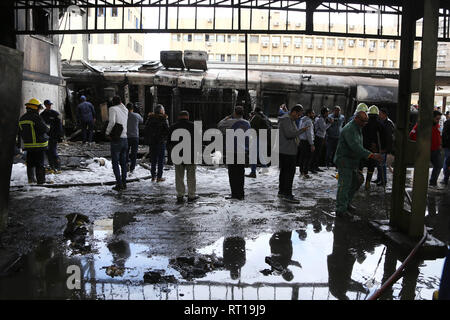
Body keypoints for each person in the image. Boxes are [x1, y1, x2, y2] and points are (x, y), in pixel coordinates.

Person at [334, 111, 382, 217]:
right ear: (356, 118)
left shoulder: (358, 128)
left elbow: (359, 145)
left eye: (366, 121)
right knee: (344, 185)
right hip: (344, 161)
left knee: (357, 181)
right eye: (363, 121)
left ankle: (346, 203)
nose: (365, 123)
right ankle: (341, 209)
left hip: (353, 161)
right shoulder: (350, 129)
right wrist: (371, 155)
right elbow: (355, 146)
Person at [217, 106, 250, 200]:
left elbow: (219, 125)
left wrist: (227, 117)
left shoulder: (230, 122)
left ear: (235, 113)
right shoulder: (247, 123)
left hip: (232, 150)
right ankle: (241, 194)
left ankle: (234, 194)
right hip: (243, 150)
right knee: (240, 173)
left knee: (232, 173)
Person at [277, 104, 309, 203]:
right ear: (294, 112)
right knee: (289, 173)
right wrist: (301, 131)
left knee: (284, 172)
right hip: (287, 151)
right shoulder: (286, 120)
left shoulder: (290, 120)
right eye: (298, 115)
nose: (298, 117)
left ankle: (282, 192)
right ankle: (287, 195)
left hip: (287, 150)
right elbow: (289, 134)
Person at [168, 110, 199, 203]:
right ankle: (191, 195)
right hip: (190, 154)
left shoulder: (173, 127)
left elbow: (169, 142)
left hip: (178, 154)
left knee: (179, 176)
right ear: (188, 116)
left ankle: (180, 195)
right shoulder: (194, 126)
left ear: (179, 117)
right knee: (191, 176)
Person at [18, 98, 49, 184]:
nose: (39, 110)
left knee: (30, 163)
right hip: (39, 145)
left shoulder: (22, 118)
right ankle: (41, 181)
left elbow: (20, 132)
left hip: (28, 146)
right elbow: (44, 129)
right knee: (40, 164)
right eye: (39, 108)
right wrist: (48, 127)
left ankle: (31, 180)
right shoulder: (36, 117)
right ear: (35, 107)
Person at [409, 110, 443, 188]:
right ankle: (420, 183)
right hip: (426, 150)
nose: (438, 121)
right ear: (432, 118)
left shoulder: (437, 125)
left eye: (439, 119)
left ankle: (432, 183)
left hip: (436, 150)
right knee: (423, 167)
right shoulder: (422, 125)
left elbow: (439, 135)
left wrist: (440, 144)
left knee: (438, 166)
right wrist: (420, 144)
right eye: (437, 119)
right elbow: (412, 135)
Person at [360, 105, 387, 190]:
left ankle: (358, 180)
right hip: (374, 150)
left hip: (363, 148)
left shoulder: (364, 123)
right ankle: (367, 182)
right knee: (371, 166)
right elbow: (383, 138)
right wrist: (381, 148)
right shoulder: (380, 124)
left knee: (360, 165)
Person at [105, 96, 129, 191]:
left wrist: (107, 132)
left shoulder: (112, 109)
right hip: (125, 139)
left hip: (116, 139)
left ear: (113, 103)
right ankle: (124, 182)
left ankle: (119, 184)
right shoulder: (125, 110)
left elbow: (112, 122)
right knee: (123, 162)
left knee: (115, 162)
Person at [144, 104, 169, 182]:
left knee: (153, 160)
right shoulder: (164, 119)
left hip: (152, 142)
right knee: (161, 160)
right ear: (161, 111)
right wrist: (164, 138)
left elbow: (146, 129)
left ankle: (153, 176)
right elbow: (167, 130)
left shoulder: (150, 119)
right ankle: (159, 177)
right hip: (160, 142)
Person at [246, 107, 272, 178]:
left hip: (257, 137)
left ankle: (253, 172)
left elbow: (251, 127)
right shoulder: (265, 117)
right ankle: (265, 168)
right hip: (264, 138)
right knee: (260, 153)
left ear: (255, 111)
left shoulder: (256, 117)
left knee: (253, 155)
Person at [40, 99, 63, 173]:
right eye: (48, 105)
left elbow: (59, 126)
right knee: (48, 152)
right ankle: (52, 167)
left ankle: (58, 167)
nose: (49, 106)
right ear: (45, 105)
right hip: (46, 137)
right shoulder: (42, 115)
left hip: (54, 136)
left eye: (50, 105)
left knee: (53, 151)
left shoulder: (55, 114)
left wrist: (60, 136)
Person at [374, 108, 395, 186]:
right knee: (378, 164)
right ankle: (379, 178)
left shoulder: (388, 123)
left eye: (380, 113)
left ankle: (384, 180)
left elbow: (389, 138)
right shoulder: (381, 121)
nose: (379, 115)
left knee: (382, 164)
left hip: (383, 147)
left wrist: (385, 149)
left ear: (385, 114)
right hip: (380, 146)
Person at [310, 107, 331, 173]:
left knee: (318, 153)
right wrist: (330, 123)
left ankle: (315, 166)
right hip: (318, 137)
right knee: (316, 153)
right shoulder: (321, 119)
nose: (328, 113)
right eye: (327, 112)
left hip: (321, 137)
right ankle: (312, 167)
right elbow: (323, 128)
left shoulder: (321, 118)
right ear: (324, 113)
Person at [126, 102, 143, 174]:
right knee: (134, 153)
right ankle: (132, 168)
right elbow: (142, 121)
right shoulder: (137, 115)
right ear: (133, 109)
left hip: (126, 136)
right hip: (135, 137)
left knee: (125, 152)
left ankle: (126, 164)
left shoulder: (124, 115)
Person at [298, 109, 315, 178]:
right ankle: (305, 173)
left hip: (301, 141)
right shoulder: (309, 121)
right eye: (312, 113)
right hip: (307, 142)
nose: (314, 114)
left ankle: (301, 171)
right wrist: (312, 144)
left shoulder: (301, 120)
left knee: (302, 157)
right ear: (309, 114)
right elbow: (309, 134)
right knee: (307, 157)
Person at [442, 114, 450, 186]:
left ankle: (446, 178)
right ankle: (446, 178)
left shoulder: (447, 122)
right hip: (448, 146)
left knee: (447, 160)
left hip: (447, 145)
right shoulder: (447, 123)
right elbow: (444, 135)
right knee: (447, 161)